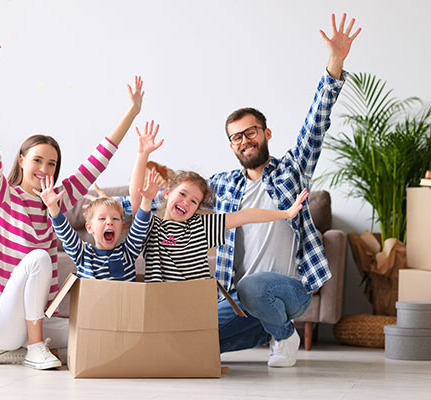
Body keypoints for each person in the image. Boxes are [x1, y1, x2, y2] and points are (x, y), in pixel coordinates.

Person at [0, 30, 145, 369]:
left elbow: (98, 160)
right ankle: (32, 348)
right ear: (21, 161)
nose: (44, 168)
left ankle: (27, 347)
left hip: (38, 320)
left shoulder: (56, 201)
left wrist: (131, 113)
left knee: (89, 327)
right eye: (37, 160)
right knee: (38, 258)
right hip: (0, 323)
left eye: (52, 163)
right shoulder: (1, 194)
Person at [211, 13, 361, 368]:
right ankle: (268, 329)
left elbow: (315, 125)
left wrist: (335, 63)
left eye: (251, 132)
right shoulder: (223, 186)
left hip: (291, 291)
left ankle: (282, 333)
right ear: (231, 146)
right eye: (237, 137)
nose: (245, 140)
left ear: (266, 133)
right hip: (238, 297)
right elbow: (176, 196)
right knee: (196, 339)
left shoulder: (291, 171)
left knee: (254, 286)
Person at [128, 122, 309, 282]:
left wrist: (286, 214)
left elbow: (245, 215)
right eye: (182, 194)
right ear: (167, 194)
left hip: (195, 306)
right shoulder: (152, 226)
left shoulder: (201, 226)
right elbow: (136, 202)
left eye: (194, 201)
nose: (186, 202)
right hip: (158, 304)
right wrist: (142, 154)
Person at [36, 169, 163, 281]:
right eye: (102, 218)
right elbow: (65, 233)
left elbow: (139, 228)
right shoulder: (83, 254)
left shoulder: (127, 253)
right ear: (90, 228)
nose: (109, 222)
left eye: (115, 219)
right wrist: (53, 208)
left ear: (122, 228)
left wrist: (147, 200)